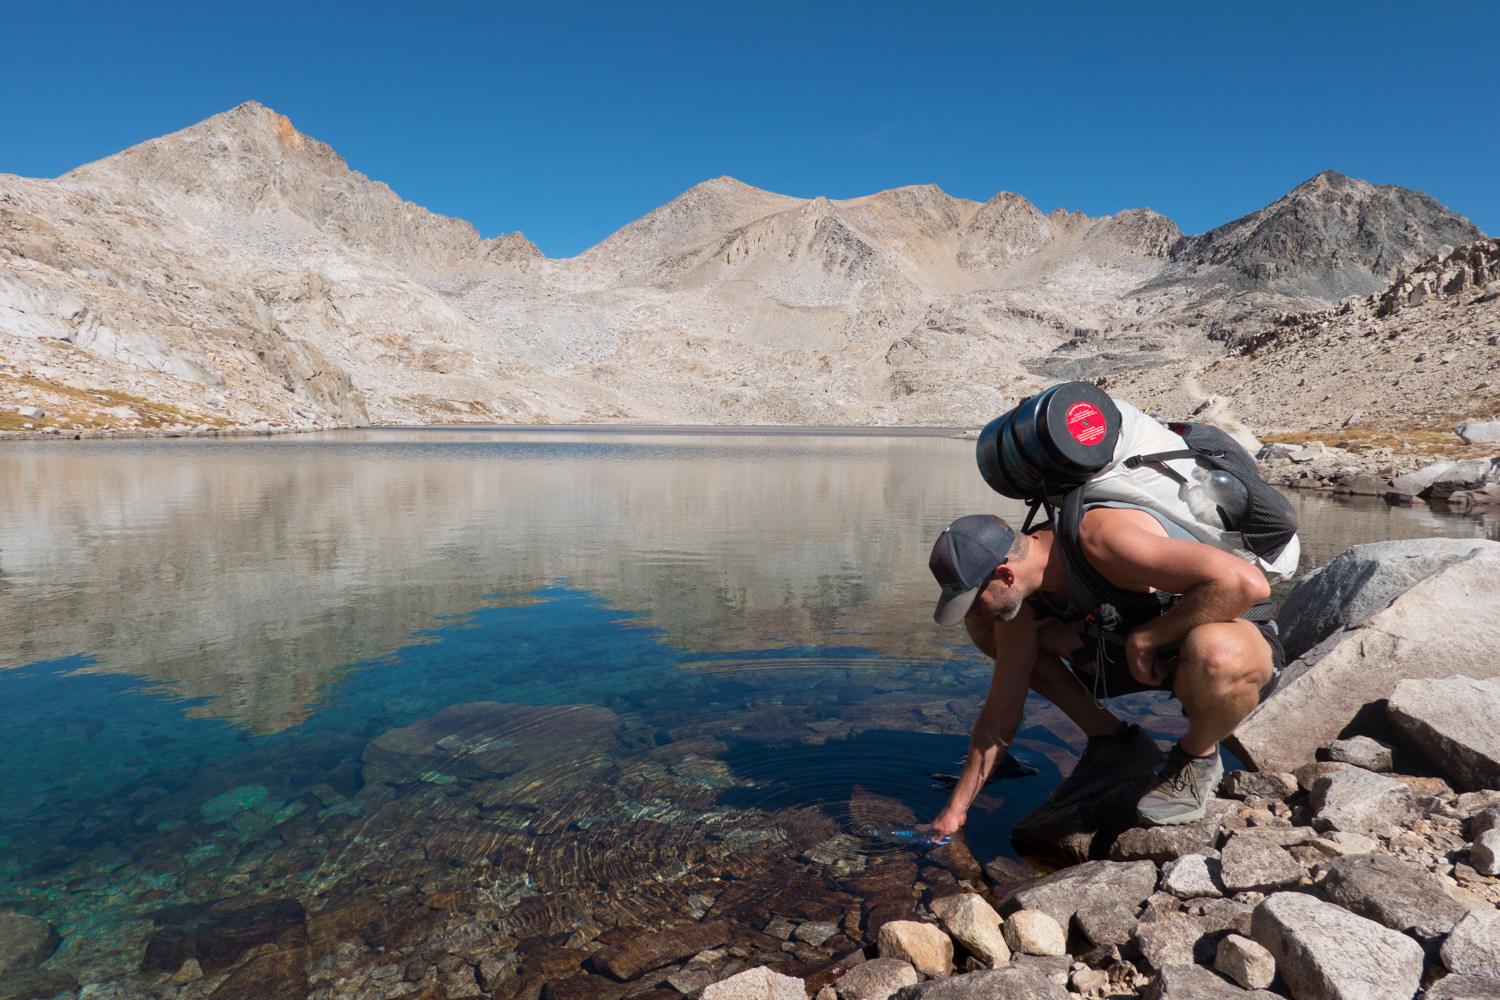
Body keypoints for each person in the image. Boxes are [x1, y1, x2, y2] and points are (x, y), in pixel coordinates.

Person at [925, 508, 1284, 834]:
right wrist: (954, 811)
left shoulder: (1102, 537)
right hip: (1136, 656)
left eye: (973, 601)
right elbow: (1000, 713)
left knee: (1218, 655)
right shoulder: (1027, 593)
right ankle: (1114, 743)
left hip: (1228, 647)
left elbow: (1247, 585)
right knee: (989, 629)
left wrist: (1145, 639)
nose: (970, 611)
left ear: (1005, 574)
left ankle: (1197, 755)